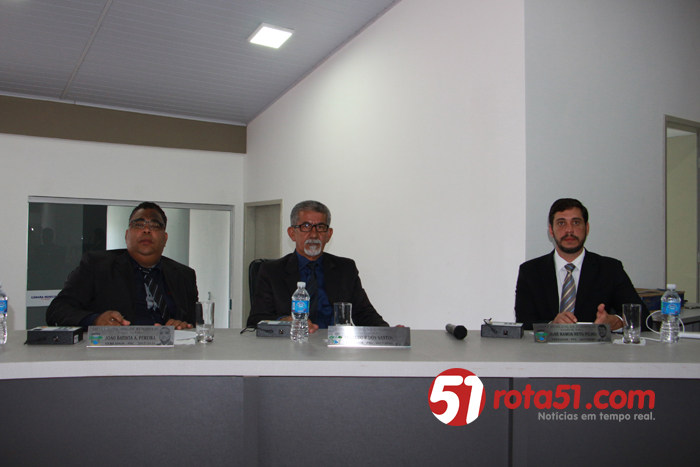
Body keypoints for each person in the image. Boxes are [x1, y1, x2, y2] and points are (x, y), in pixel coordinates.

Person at [46, 202, 198, 330]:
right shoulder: (97, 266)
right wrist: (95, 320)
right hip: (116, 353)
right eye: (139, 224)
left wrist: (183, 326)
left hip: (171, 353)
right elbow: (57, 310)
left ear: (165, 238)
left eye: (155, 225)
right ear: (127, 235)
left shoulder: (184, 275)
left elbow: (196, 324)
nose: (146, 230)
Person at [247, 200, 389, 332]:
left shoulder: (345, 268)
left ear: (329, 234)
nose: (314, 234)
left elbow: (364, 313)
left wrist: (389, 333)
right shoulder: (272, 271)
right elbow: (255, 320)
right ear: (292, 233)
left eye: (320, 227)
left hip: (334, 343)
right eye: (306, 226)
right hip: (291, 344)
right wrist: (285, 321)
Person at [515, 198, 647, 331]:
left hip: (594, 345)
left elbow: (644, 318)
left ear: (587, 228)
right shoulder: (530, 271)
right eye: (561, 223)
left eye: (576, 222)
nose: (569, 230)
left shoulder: (610, 269)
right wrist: (552, 326)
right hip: (548, 344)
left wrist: (616, 322)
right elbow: (523, 322)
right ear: (551, 230)